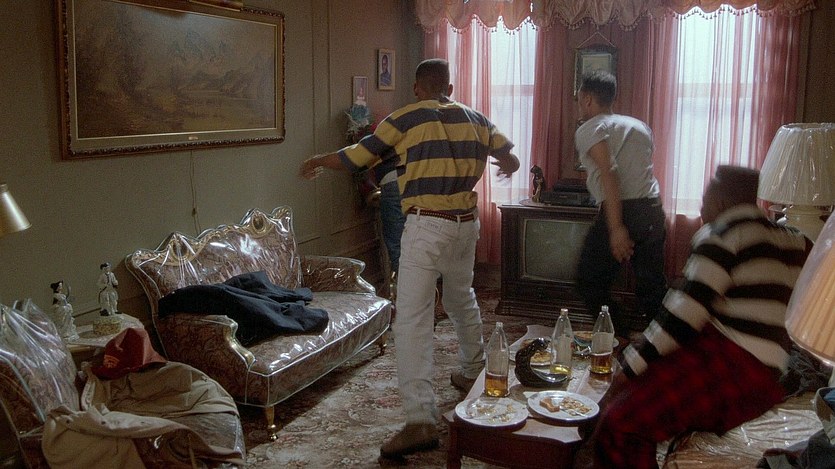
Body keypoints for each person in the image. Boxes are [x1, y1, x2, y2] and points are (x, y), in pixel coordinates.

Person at [299, 58, 520, 459]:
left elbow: (356, 157)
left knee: (412, 319)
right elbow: (510, 157)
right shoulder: (477, 119)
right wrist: (505, 165)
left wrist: (317, 161)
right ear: (449, 88)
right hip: (466, 226)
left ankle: (420, 420)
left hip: (427, 225)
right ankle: (474, 370)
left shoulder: (405, 118)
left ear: (418, 88)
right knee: (460, 296)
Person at [577, 165, 812, 469]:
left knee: (621, 424)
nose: (701, 207)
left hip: (734, 367)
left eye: (705, 197)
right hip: (770, 378)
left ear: (722, 199)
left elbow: (681, 318)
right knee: (651, 379)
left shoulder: (723, 235)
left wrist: (629, 369)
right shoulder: (793, 240)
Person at [574, 70, 667, 337]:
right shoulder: (639, 126)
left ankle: (620, 337)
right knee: (652, 288)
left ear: (587, 99)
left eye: (579, 99)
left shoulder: (590, 128)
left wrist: (616, 227)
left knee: (588, 282)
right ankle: (666, 346)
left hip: (622, 211)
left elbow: (610, 171)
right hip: (652, 210)